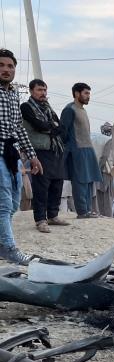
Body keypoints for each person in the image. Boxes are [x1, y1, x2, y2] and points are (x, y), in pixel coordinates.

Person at [0, 49, 43, 264]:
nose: (6, 70)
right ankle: (9, 249)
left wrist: (32, 156)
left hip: (12, 154)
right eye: (2, 65)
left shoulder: (13, 94)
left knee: (15, 202)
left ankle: (2, 246)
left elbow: (18, 128)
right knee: (4, 204)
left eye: (10, 66)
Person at [20, 78, 69, 233]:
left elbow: (61, 127)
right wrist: (51, 127)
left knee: (57, 183)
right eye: (39, 90)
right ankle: (40, 219)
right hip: (39, 150)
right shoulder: (26, 107)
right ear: (31, 91)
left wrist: (50, 128)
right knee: (41, 186)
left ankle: (52, 215)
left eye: (44, 90)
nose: (43, 93)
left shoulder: (48, 108)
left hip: (55, 149)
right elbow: (37, 125)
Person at [60, 83, 101, 219]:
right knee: (80, 181)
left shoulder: (82, 110)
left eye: (89, 93)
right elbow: (63, 133)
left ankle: (88, 209)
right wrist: (71, 150)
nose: (88, 96)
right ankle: (82, 212)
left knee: (89, 181)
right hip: (76, 150)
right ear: (77, 94)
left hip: (87, 149)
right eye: (86, 93)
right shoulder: (69, 109)